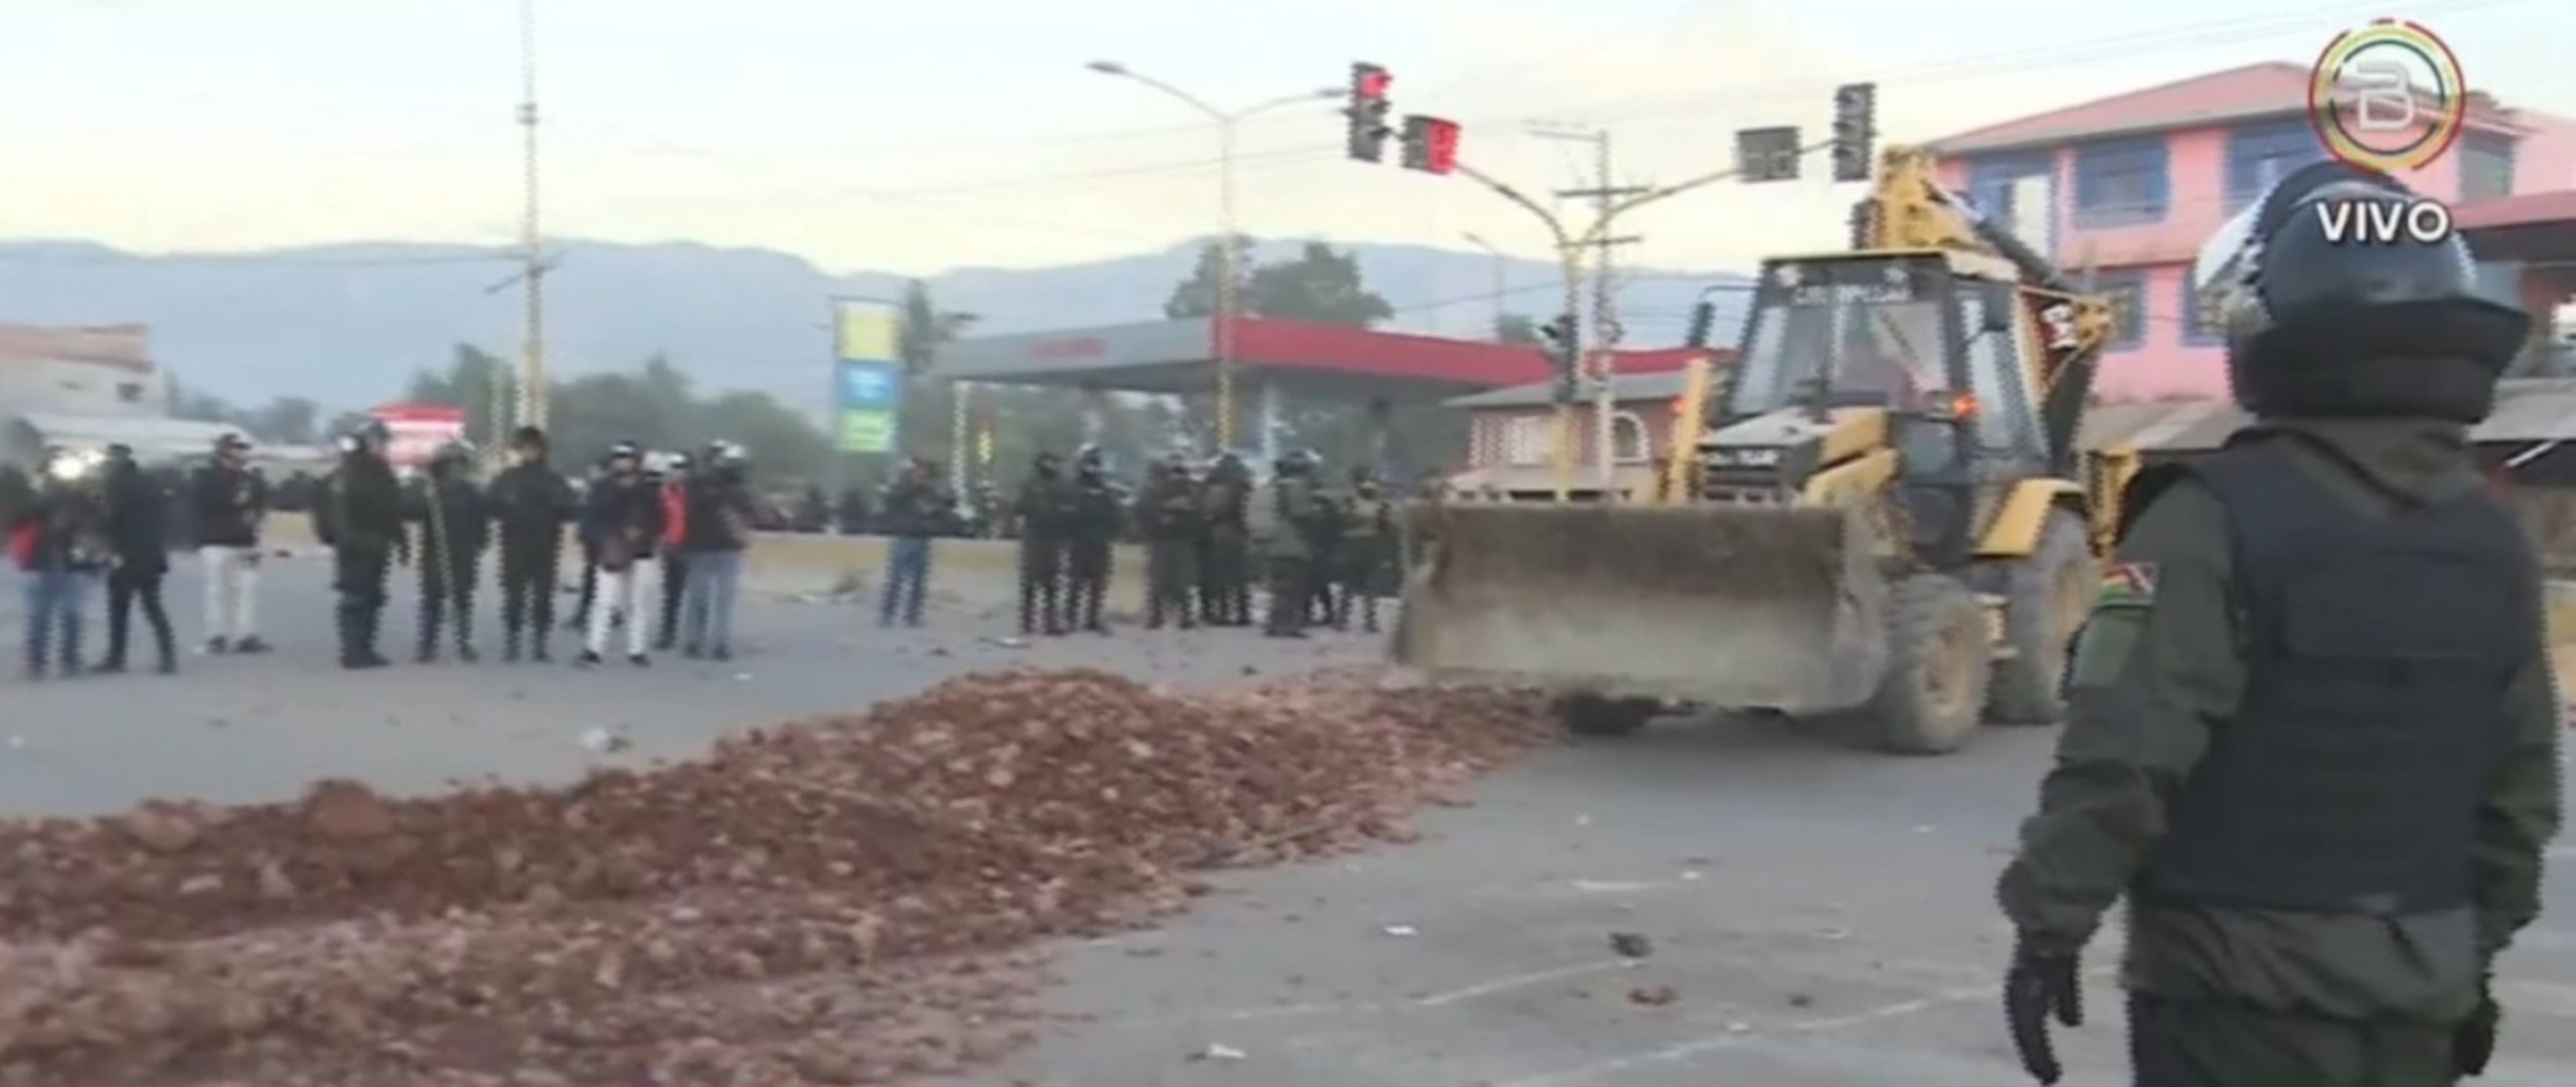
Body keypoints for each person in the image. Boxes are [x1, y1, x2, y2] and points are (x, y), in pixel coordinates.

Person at [1996, 162, 2559, 1087]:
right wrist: (2466, 960)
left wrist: (2047, 923)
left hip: (2232, 1005)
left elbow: (2125, 750)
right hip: (2420, 994)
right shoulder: (2490, 541)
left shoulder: (2206, 519)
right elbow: (2519, 794)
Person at [10, 447, 108, 678]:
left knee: (68, 613)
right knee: (43, 614)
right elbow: (18, 519)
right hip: (42, 560)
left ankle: (67, 659)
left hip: (67, 561)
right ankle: (39, 661)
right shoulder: (34, 496)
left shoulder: (80, 496)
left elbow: (95, 519)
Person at [320, 422, 406, 669]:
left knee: (374, 597)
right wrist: (350, 540)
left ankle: (367, 647)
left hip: (379, 545)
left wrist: (401, 542)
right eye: (380, 442)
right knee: (354, 598)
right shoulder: (350, 472)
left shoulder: (384, 473)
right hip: (355, 547)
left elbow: (393, 509)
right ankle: (351, 651)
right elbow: (341, 514)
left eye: (386, 442)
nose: (384, 447)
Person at [487, 425, 576, 662]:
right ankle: (512, 641)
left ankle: (540, 643)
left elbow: (570, 509)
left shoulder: (553, 480)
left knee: (543, 597)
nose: (529, 453)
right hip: (514, 543)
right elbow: (491, 506)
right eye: (525, 449)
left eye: (533, 449)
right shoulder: (508, 478)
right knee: (514, 595)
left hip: (545, 544)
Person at [579, 441, 663, 667]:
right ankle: (594, 648)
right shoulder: (603, 488)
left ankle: (637, 650)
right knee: (604, 602)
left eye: (627, 458)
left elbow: (659, 521)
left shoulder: (648, 490)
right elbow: (590, 521)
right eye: (619, 458)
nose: (623, 463)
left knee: (638, 603)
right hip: (611, 550)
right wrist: (605, 540)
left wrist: (643, 534)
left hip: (642, 552)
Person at [187, 431, 270, 654]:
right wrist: (233, 502)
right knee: (216, 591)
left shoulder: (252, 480)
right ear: (224, 450)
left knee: (246, 592)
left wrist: (257, 526)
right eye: (238, 448)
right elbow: (198, 506)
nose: (243, 453)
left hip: (246, 541)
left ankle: (246, 635)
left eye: (245, 449)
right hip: (216, 541)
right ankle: (216, 636)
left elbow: (261, 507)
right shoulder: (206, 478)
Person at [406, 440, 490, 663]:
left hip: (463, 553)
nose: (455, 470)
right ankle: (426, 647)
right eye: (450, 465)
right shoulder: (429, 492)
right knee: (432, 601)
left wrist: (481, 542)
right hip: (435, 553)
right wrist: (421, 491)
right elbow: (410, 510)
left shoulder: (472, 493)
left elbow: (481, 521)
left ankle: (465, 644)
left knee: (462, 601)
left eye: (459, 465)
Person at [97, 444, 177, 675]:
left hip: (124, 552)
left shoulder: (115, 486)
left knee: (119, 609)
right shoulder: (151, 484)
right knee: (153, 607)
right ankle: (167, 657)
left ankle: (116, 657)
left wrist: (109, 546)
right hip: (150, 552)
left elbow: (111, 520)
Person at [679, 441, 758, 658]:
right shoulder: (697, 483)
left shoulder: (738, 487)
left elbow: (751, 513)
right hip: (701, 546)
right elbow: (690, 510)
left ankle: (720, 643)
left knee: (723, 599)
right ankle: (694, 640)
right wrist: (715, 492)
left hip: (728, 546)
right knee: (699, 597)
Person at [1248, 451, 1322, 638]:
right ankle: (1289, 625)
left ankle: (1275, 624)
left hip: (1273, 543)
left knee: (1279, 587)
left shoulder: (1272, 487)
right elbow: (1303, 514)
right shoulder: (1298, 488)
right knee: (1293, 587)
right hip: (1293, 543)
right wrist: (1317, 513)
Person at [877, 455, 948, 628]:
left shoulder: (930, 492)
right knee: (897, 579)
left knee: (918, 582)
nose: (923, 475)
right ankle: (888, 614)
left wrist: (934, 513)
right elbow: (892, 500)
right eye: (920, 471)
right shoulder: (904, 488)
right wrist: (913, 486)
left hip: (922, 537)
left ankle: (912, 616)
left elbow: (942, 508)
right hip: (904, 537)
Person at [1137, 457, 1201, 630]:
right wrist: (1166, 511)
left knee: (1180, 581)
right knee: (1160, 580)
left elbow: (1198, 512)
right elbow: (1144, 510)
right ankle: (1157, 616)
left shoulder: (1190, 490)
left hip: (1180, 538)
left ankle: (1183, 616)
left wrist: (1179, 513)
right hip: (1162, 538)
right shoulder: (1155, 489)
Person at [1014, 450, 1073, 636]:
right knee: (1030, 581)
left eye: (1056, 462)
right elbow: (1019, 507)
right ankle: (1027, 621)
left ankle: (1051, 622)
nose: (1054, 466)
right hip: (1034, 536)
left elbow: (1071, 507)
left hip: (1054, 538)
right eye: (1051, 462)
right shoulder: (1031, 484)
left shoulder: (1062, 485)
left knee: (1052, 582)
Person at [1064, 446, 1120, 634]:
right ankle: (1071, 617)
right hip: (1079, 540)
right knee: (1076, 582)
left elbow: (1114, 512)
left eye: (1096, 462)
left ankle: (1093, 618)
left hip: (1100, 539)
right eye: (1090, 461)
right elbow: (1070, 511)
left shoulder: (1104, 487)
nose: (1094, 466)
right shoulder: (1074, 486)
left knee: (1099, 582)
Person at [1333, 467, 1394, 633]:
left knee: (1351, 584)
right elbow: (1387, 526)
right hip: (1370, 543)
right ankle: (1369, 621)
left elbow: (1341, 521)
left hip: (1354, 544)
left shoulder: (1350, 500)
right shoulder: (1379, 502)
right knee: (1369, 584)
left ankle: (1342, 620)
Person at [1196, 452, 1252, 626]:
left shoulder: (1210, 485)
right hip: (1238, 533)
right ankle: (1243, 613)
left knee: (1219, 576)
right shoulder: (1244, 485)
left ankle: (1221, 613)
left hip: (1217, 532)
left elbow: (1203, 508)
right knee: (1240, 577)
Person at [651, 451, 693, 652]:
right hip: (671, 546)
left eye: (681, 469)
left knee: (698, 594)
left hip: (691, 546)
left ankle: (695, 636)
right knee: (672, 594)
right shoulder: (663, 494)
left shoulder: (693, 494)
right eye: (674, 469)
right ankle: (668, 632)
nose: (678, 474)